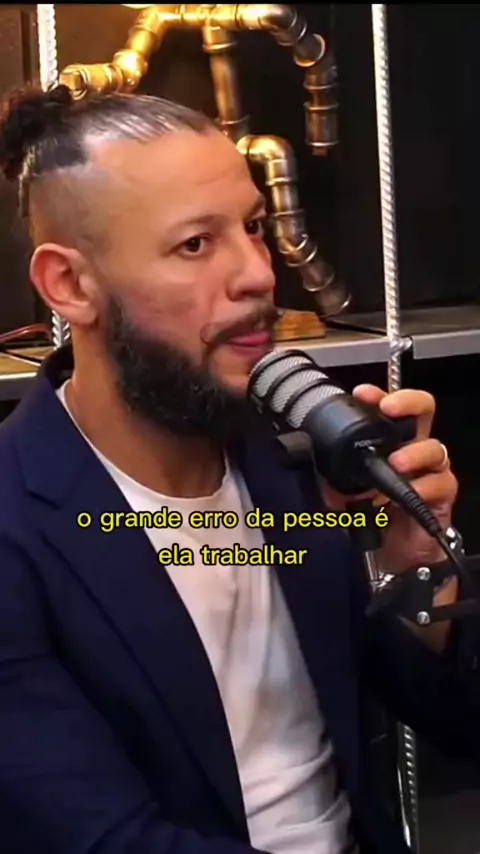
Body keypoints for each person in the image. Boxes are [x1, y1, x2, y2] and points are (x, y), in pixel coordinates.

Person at [0, 85, 478, 854]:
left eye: (253, 227)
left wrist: (417, 568)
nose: (258, 272)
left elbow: (455, 719)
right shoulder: (17, 526)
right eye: (196, 244)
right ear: (71, 286)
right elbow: (102, 840)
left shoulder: (284, 464)